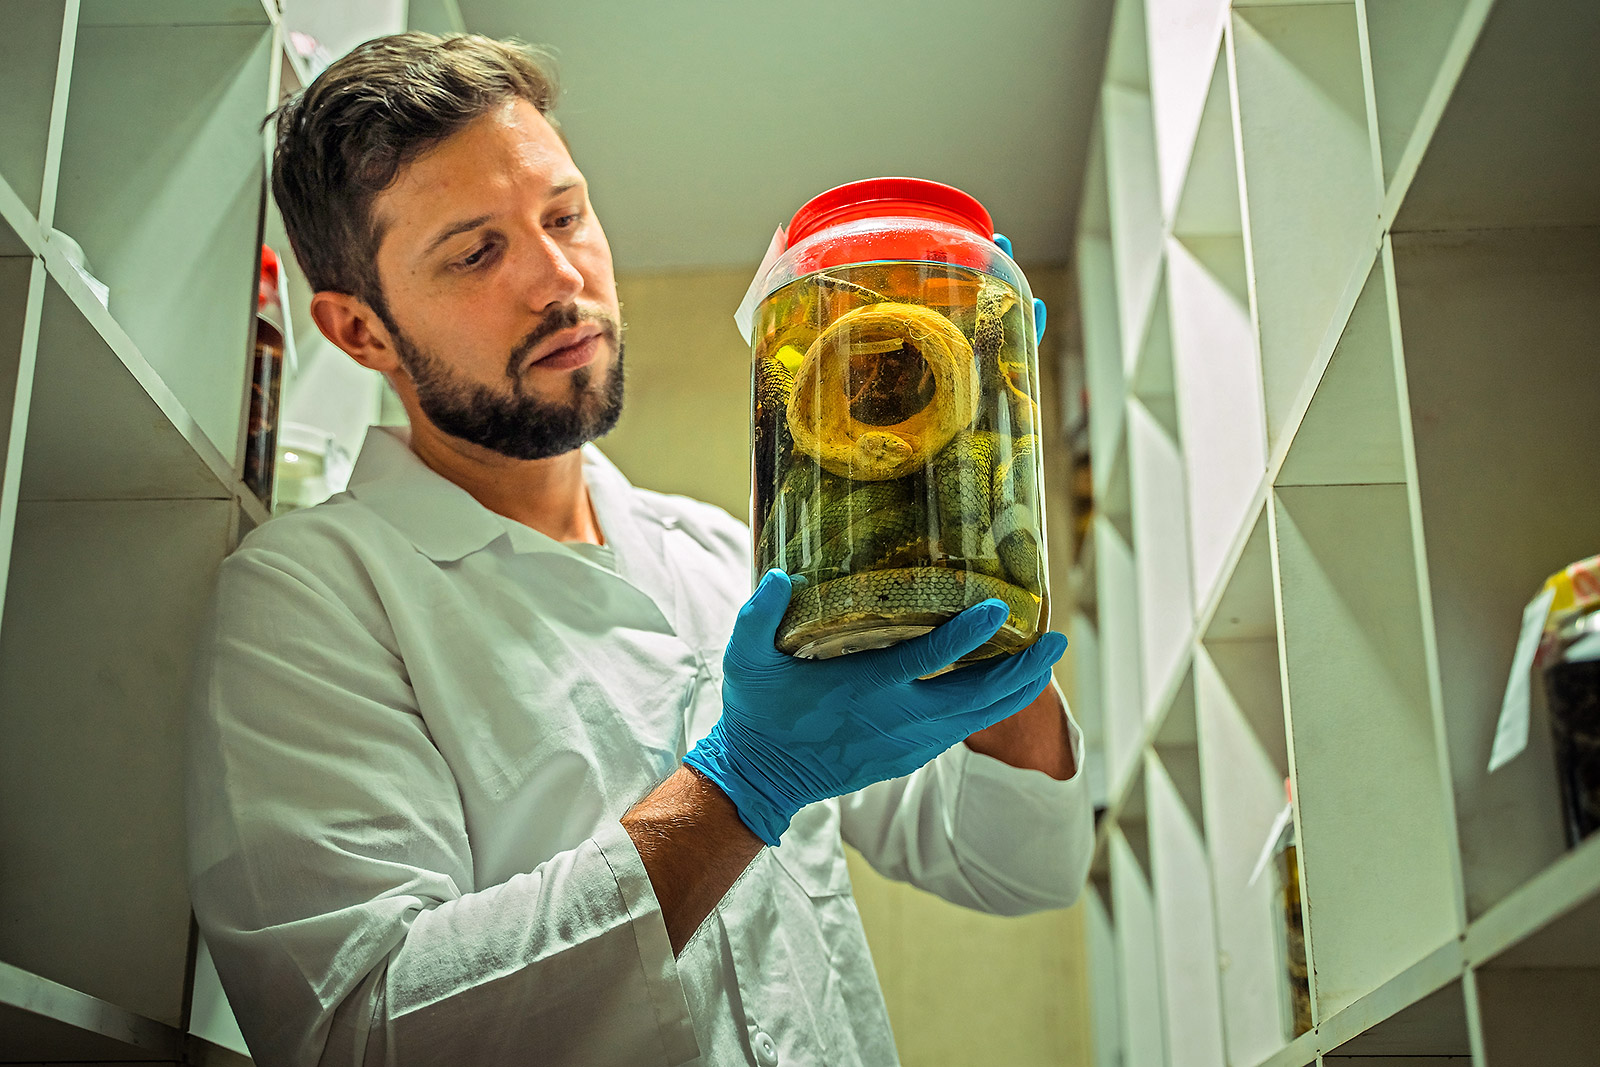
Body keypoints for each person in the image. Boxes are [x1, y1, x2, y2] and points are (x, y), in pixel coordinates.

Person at [186, 32, 1092, 1067]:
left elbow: (1017, 867)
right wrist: (741, 784)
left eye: (565, 214)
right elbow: (356, 1033)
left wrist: (982, 557)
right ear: (361, 332)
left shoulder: (723, 556)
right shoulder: (311, 598)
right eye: (476, 251)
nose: (559, 275)